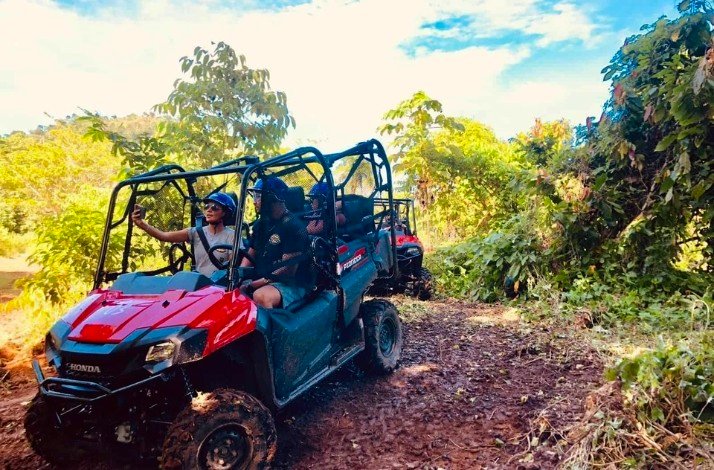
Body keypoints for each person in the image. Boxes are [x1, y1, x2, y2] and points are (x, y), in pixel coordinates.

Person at [240, 177, 313, 309]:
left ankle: (270, 330)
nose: (254, 201)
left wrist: (252, 285)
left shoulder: (294, 227)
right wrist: (239, 275)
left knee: (261, 296)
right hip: (264, 278)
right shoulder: (261, 225)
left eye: (258, 196)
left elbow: (287, 271)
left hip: (291, 283)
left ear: (272, 198)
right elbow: (250, 253)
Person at [131, 192, 237, 278]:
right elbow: (164, 236)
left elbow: (234, 267)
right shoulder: (195, 232)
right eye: (206, 206)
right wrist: (142, 224)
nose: (209, 210)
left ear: (225, 212)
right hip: (198, 286)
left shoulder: (232, 236)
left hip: (220, 288)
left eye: (214, 207)